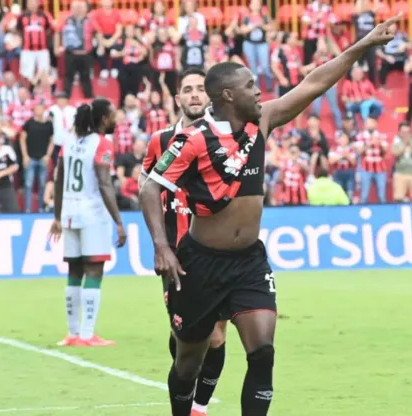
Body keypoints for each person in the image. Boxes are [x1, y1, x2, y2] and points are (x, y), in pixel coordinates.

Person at [140, 16, 398, 416]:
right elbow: (149, 186)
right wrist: (162, 247)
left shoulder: (262, 121)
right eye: (249, 86)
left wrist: (363, 44)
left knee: (262, 353)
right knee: (188, 361)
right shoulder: (192, 141)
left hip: (249, 262)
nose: (258, 90)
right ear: (227, 95)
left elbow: (313, 84)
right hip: (200, 264)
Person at [139, 67, 227, 416]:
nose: (194, 95)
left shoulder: (224, 137)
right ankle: (184, 397)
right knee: (185, 339)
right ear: (177, 98)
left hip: (218, 254)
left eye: (200, 89)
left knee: (217, 337)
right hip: (177, 256)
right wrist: (160, 245)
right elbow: (147, 189)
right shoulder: (160, 140)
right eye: (187, 89)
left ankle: (199, 408)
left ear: (210, 96)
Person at [48, 99, 127, 347]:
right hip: (92, 214)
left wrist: (57, 216)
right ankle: (87, 334)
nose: (116, 118)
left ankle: (72, 334)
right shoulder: (102, 143)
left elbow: (59, 180)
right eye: (113, 114)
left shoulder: (67, 143)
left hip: (69, 213)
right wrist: (118, 221)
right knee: (94, 270)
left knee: (74, 272)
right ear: (104, 119)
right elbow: (104, 183)